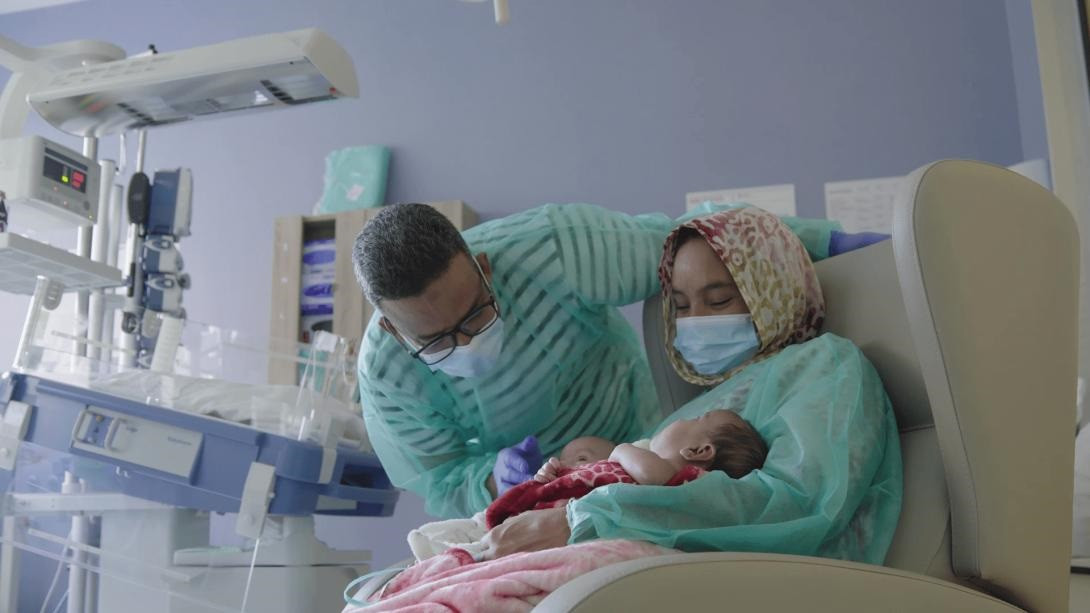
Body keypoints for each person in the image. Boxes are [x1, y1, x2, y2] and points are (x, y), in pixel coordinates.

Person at [353, 202, 841, 518]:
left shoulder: (553, 249)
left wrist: (825, 242)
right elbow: (438, 479)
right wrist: (493, 479)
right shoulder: (386, 378)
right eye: (437, 341)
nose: (466, 343)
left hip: (638, 421)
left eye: (477, 314)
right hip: (541, 494)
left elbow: (704, 241)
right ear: (394, 330)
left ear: (484, 268)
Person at [481, 206, 903, 566]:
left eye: (719, 300)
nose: (697, 319)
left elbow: (795, 504)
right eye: (681, 306)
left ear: (772, 290)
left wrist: (583, 517)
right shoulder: (701, 405)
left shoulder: (824, 366)